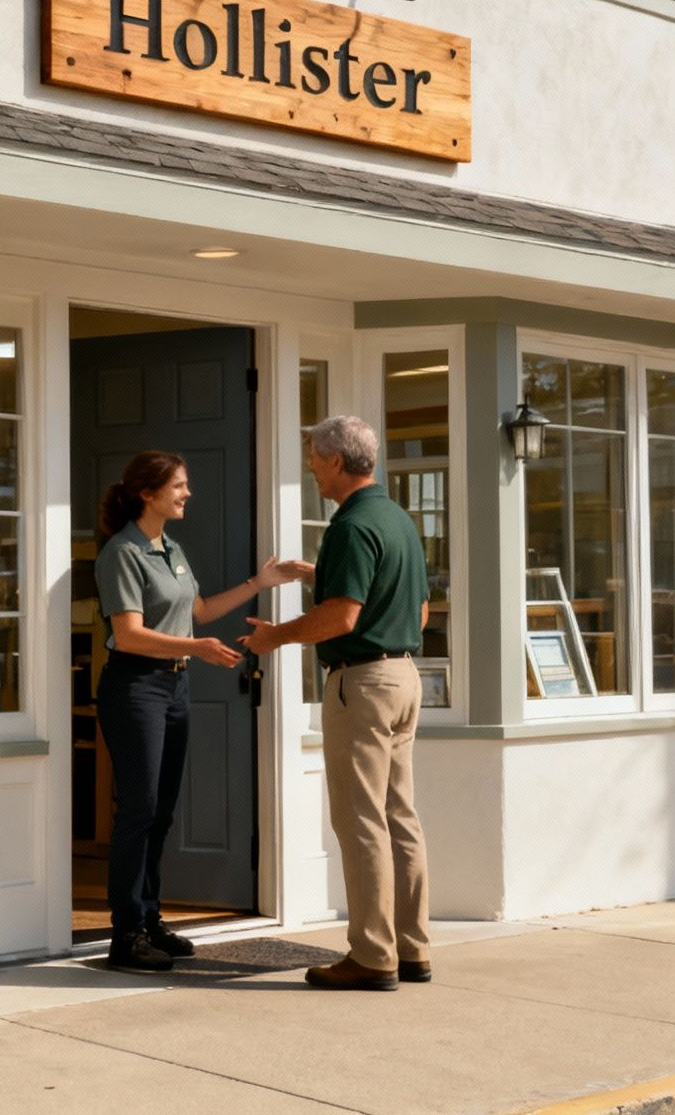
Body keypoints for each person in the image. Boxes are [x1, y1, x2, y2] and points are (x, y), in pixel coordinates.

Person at [94, 450, 310, 973]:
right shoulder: (121, 553)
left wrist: (260, 583)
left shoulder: (170, 548)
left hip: (174, 690)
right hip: (135, 688)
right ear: (148, 493)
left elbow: (197, 612)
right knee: (139, 809)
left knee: (162, 810)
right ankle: (125, 935)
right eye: (179, 486)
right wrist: (198, 648)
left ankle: (149, 919)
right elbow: (128, 636)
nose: (187, 494)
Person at [240, 416, 431, 991]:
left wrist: (274, 636)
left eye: (316, 458)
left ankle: (372, 957)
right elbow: (415, 611)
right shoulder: (397, 520)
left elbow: (341, 617)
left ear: (340, 463)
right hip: (404, 678)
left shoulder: (349, 526)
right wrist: (319, 573)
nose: (311, 467)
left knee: (360, 820)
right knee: (400, 818)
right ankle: (411, 948)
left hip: (362, 684)